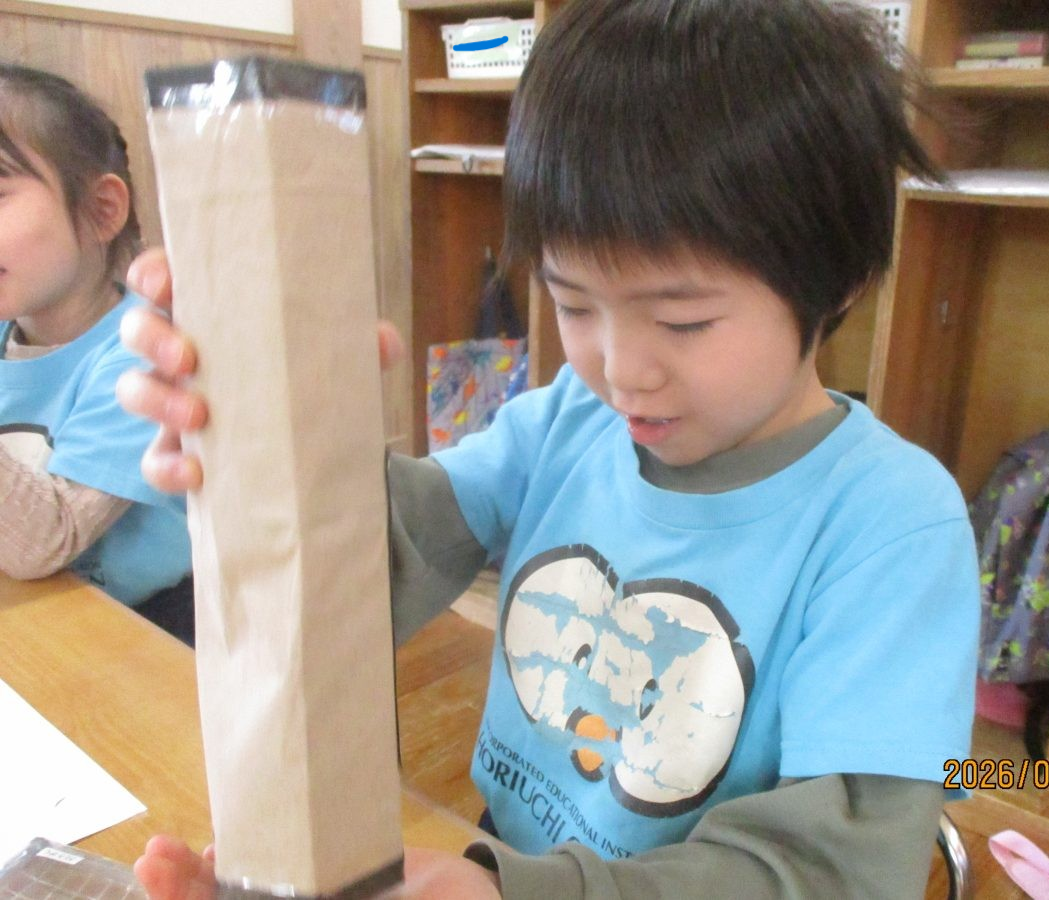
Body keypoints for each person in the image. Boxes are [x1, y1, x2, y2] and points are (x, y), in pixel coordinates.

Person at [118, 0, 979, 896]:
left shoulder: (892, 528)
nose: (622, 370)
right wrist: (257, 432)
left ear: (839, 282)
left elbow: (832, 876)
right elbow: (362, 573)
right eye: (573, 303)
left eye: (683, 320)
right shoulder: (572, 418)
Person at [0, 64, 193, 639]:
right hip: (37, 611)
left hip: (148, 624)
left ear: (102, 211)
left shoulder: (147, 353)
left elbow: (46, 539)